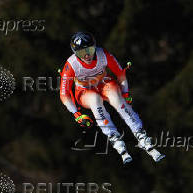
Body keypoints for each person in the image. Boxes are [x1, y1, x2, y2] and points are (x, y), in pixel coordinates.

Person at [59, 31, 165, 164]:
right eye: (81, 53)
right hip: (84, 91)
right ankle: (114, 137)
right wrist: (76, 114)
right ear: (75, 53)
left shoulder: (103, 54)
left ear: (95, 46)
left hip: (104, 83)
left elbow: (120, 74)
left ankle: (140, 134)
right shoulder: (71, 65)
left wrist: (125, 93)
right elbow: (64, 93)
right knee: (95, 101)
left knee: (117, 98)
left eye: (90, 50)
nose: (87, 55)